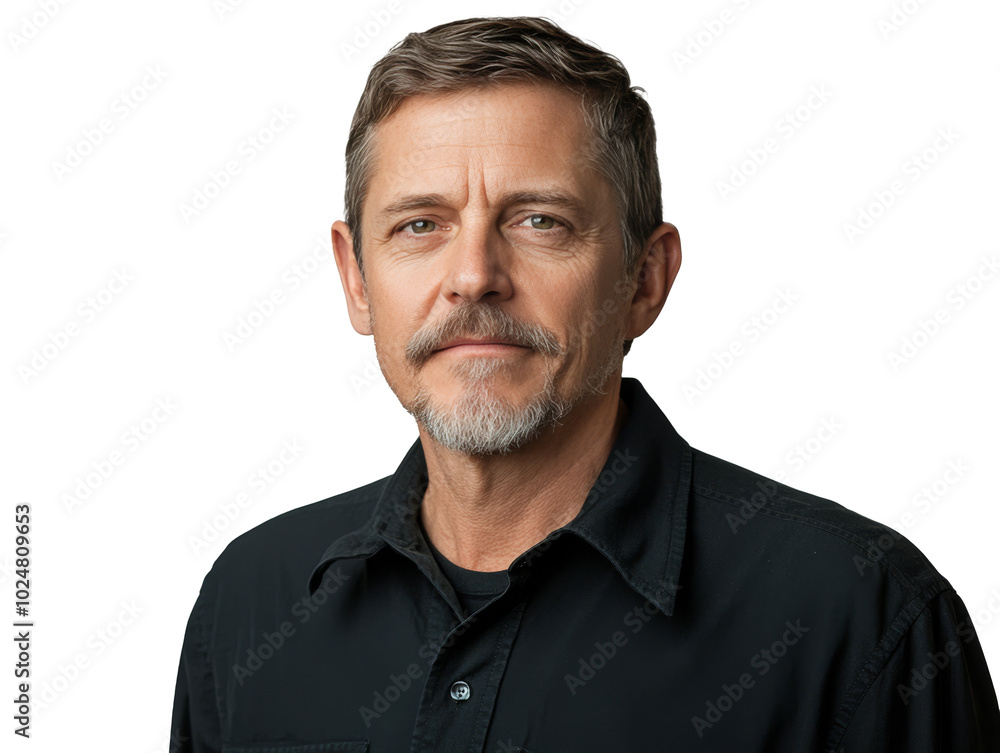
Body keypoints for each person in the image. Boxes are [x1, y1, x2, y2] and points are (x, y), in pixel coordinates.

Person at [169, 16, 1000, 752]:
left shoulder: (858, 616)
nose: (473, 277)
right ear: (356, 278)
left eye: (540, 221)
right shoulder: (253, 603)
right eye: (420, 224)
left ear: (645, 278)